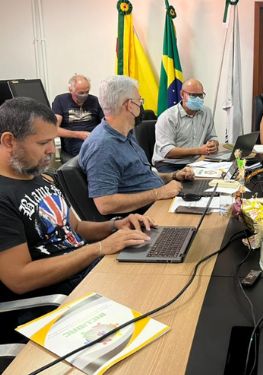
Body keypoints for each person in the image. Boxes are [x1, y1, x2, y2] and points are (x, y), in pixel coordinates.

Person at [0, 97, 153, 305]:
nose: (52, 151)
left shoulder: (40, 177)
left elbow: (76, 227)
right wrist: (98, 248)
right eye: (43, 143)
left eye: (52, 141)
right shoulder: (3, 196)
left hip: (88, 273)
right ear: (9, 141)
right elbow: (20, 279)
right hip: (60, 298)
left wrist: (115, 225)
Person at [80, 76, 194, 216]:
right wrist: (159, 193)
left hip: (159, 202)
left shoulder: (125, 133)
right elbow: (105, 204)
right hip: (147, 215)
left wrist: (172, 175)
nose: (141, 105)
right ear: (129, 105)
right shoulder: (102, 146)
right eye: (139, 101)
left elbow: (138, 178)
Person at [152, 79, 219, 172]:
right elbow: (167, 151)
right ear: (182, 94)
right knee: (183, 185)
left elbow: (212, 137)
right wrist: (199, 150)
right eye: (193, 95)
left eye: (200, 95)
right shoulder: (168, 117)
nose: (198, 99)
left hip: (197, 162)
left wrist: (213, 144)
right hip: (170, 164)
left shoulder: (206, 112)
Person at [51, 74, 104, 157]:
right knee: (90, 151)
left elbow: (106, 122)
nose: (84, 95)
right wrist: (79, 134)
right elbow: (53, 129)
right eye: (81, 93)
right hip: (74, 140)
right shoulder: (61, 100)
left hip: (95, 138)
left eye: (87, 92)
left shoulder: (94, 100)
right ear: (70, 89)